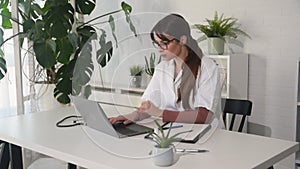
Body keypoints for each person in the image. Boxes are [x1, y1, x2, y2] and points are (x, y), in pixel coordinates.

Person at [109, 14, 224, 128]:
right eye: (157, 44)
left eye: (164, 43)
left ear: (182, 40)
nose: (159, 49)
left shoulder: (207, 67)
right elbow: (149, 106)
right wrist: (133, 116)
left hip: (205, 134)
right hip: (173, 131)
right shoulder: (162, 68)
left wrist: (160, 113)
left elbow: (203, 116)